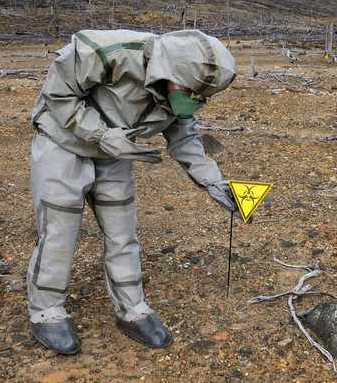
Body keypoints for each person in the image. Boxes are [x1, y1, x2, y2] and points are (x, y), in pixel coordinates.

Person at [27, 29, 238, 354]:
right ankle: (46, 310)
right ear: (170, 73)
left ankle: (131, 309)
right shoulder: (113, 52)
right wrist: (99, 133)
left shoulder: (181, 87)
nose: (194, 101)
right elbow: (58, 93)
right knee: (59, 228)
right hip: (62, 140)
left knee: (122, 231)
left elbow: (183, 135)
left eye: (201, 97)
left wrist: (213, 182)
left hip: (116, 151)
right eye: (191, 92)